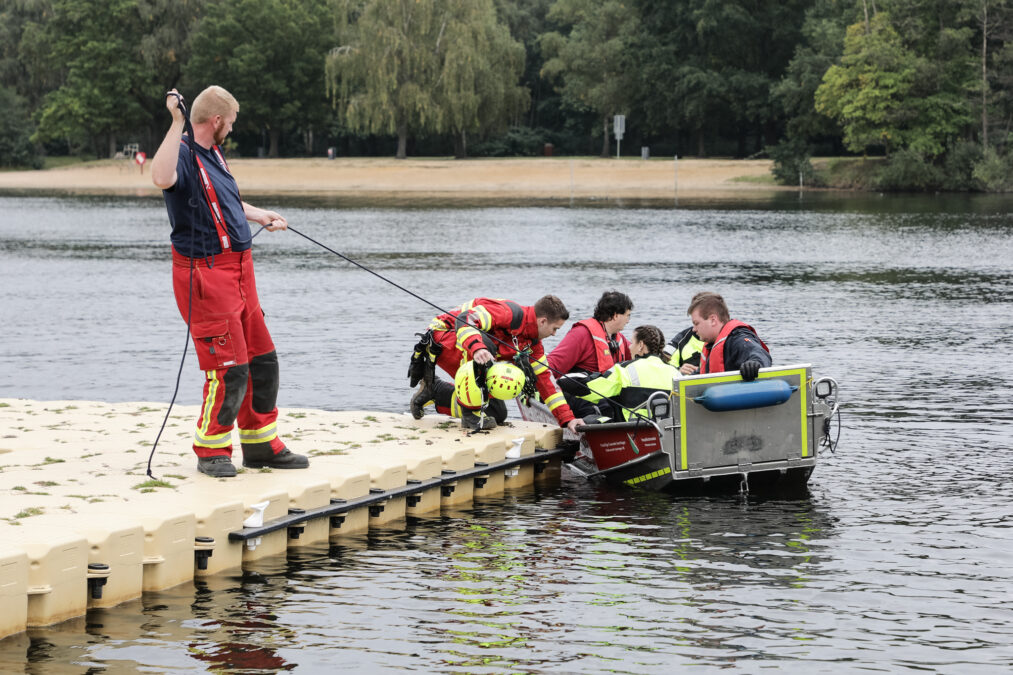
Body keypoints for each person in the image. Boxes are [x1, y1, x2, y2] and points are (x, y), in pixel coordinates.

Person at [151, 86, 308, 478]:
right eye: (232, 123)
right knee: (228, 368)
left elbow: (226, 201)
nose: (233, 130)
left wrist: (258, 215)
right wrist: (177, 121)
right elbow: (160, 177)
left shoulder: (215, 153)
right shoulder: (182, 154)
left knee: (262, 361)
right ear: (217, 120)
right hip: (205, 275)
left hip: (241, 271)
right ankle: (211, 449)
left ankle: (260, 445)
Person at [409, 296, 581, 434]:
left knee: (497, 414)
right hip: (442, 336)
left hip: (468, 348)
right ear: (543, 321)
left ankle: (435, 391)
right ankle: (469, 415)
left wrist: (567, 419)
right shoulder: (509, 313)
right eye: (555, 329)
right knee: (486, 346)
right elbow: (465, 319)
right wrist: (477, 347)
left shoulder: (533, 344)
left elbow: (546, 383)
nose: (554, 334)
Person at [558, 325, 680, 422]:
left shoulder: (624, 370)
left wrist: (563, 378)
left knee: (591, 418)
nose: (629, 347)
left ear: (641, 345)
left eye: (632, 343)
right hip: (668, 431)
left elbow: (590, 390)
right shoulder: (676, 372)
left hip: (632, 432)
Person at [547, 291, 633, 418]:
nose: (628, 321)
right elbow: (553, 364)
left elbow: (639, 361)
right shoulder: (581, 334)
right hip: (584, 401)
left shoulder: (619, 339)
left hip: (609, 399)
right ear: (615, 316)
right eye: (627, 315)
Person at [687, 292, 771, 381]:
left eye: (696, 323)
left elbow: (759, 354)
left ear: (713, 320)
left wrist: (753, 364)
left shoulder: (738, 339)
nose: (694, 329)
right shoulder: (711, 345)